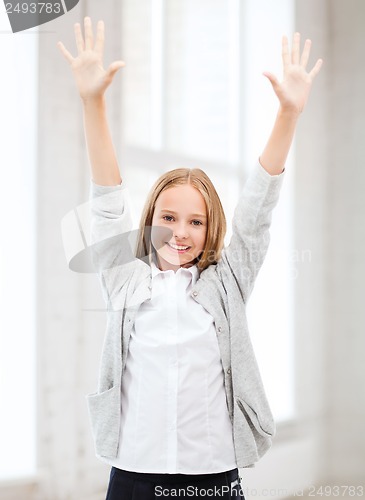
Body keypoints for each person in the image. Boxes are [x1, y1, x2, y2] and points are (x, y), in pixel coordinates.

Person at [58, 17, 322, 500]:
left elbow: (257, 210)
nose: (180, 232)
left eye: (196, 222)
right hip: (135, 472)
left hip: (213, 475)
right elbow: (106, 199)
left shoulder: (227, 282)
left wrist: (289, 114)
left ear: (210, 228)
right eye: (169, 217)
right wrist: (92, 101)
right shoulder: (125, 279)